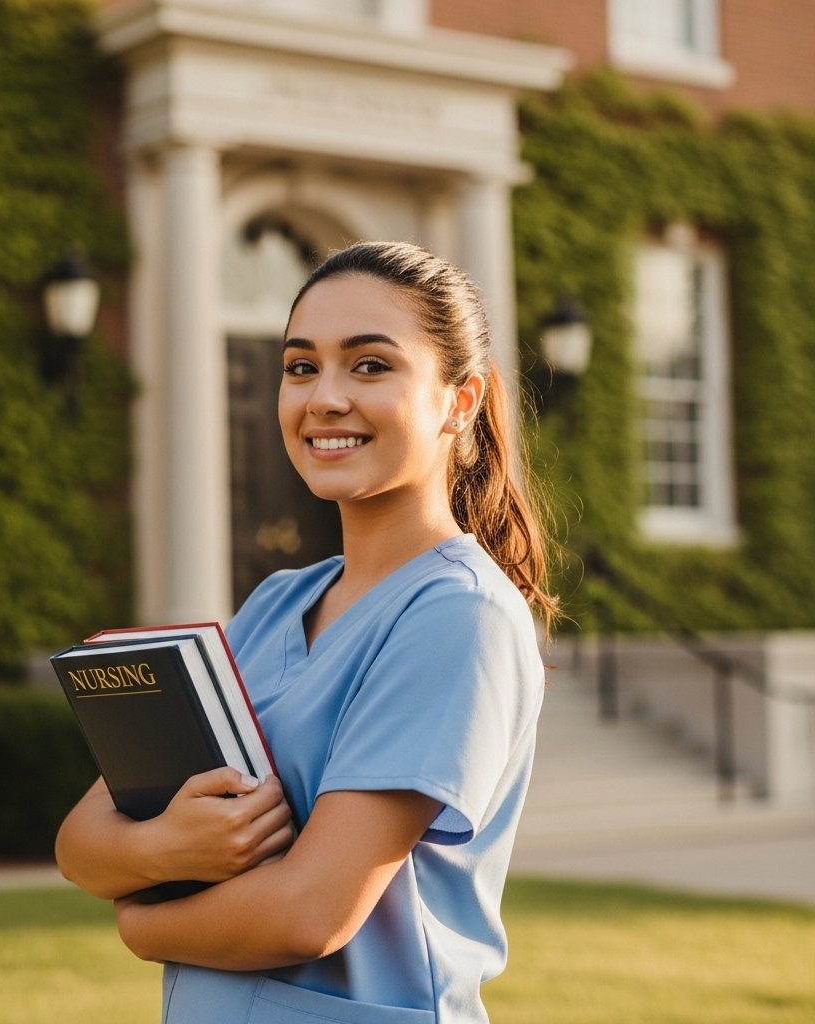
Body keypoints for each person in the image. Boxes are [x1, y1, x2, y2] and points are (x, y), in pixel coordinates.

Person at [55, 240, 558, 1023]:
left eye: (369, 366)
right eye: (300, 366)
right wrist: (170, 848)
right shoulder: (276, 606)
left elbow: (309, 913)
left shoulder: (458, 614)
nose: (324, 398)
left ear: (459, 401)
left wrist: (142, 920)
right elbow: (81, 838)